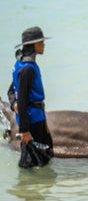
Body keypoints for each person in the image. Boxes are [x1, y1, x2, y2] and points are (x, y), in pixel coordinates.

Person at [9, 26, 54, 164]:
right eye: (41, 42)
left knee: (46, 155)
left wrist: (13, 103)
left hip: (37, 117)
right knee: (35, 162)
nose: (44, 44)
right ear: (33, 45)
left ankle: (35, 185)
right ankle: (29, 185)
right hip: (31, 121)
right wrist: (25, 131)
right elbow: (22, 100)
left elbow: (11, 91)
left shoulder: (21, 64)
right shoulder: (28, 68)